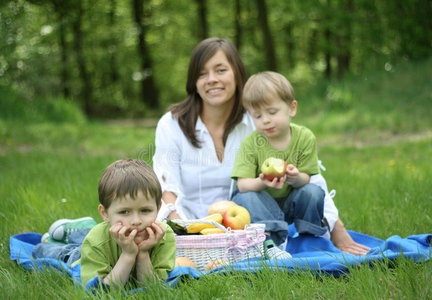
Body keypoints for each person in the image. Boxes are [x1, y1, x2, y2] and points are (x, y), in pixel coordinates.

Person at [152, 37, 369, 256]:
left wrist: (337, 229)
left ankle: (280, 246)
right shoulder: (172, 124)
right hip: (195, 229)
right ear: (193, 81)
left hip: (250, 229)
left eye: (220, 70)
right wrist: (185, 234)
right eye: (202, 73)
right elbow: (165, 186)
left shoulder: (258, 120)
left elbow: (309, 174)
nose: (211, 80)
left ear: (237, 74)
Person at [33, 159, 176, 289]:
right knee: (63, 252)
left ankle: (83, 227)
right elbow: (102, 292)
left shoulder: (164, 235)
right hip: (84, 255)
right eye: (125, 212)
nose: (136, 221)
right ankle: (49, 240)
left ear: (158, 208)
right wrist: (127, 254)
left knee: (88, 236)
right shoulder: (96, 240)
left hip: (105, 238)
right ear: (105, 213)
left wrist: (143, 253)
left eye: (145, 210)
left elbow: (153, 289)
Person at [231, 71, 327, 256]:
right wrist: (261, 182)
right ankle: (268, 242)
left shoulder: (304, 137)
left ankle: (310, 238)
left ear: (292, 108)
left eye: (272, 112)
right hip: (261, 204)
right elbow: (242, 185)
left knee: (313, 192)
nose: (265, 120)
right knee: (244, 198)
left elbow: (306, 180)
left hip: (290, 201)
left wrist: (295, 177)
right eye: (257, 116)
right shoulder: (251, 143)